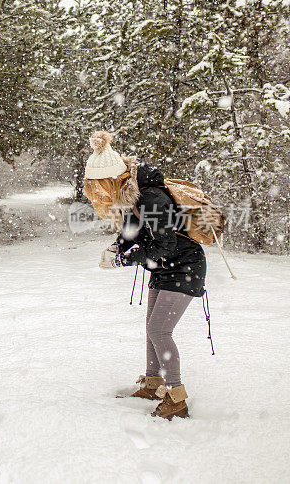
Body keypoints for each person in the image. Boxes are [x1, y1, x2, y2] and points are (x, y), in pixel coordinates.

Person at [83, 131, 206, 420]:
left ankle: (176, 399)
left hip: (185, 266)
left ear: (112, 180)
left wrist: (123, 260)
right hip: (163, 268)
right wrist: (116, 248)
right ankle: (154, 384)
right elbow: (131, 233)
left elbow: (165, 245)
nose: (99, 195)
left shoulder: (151, 198)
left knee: (159, 330)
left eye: (100, 188)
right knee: (151, 327)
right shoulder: (131, 196)